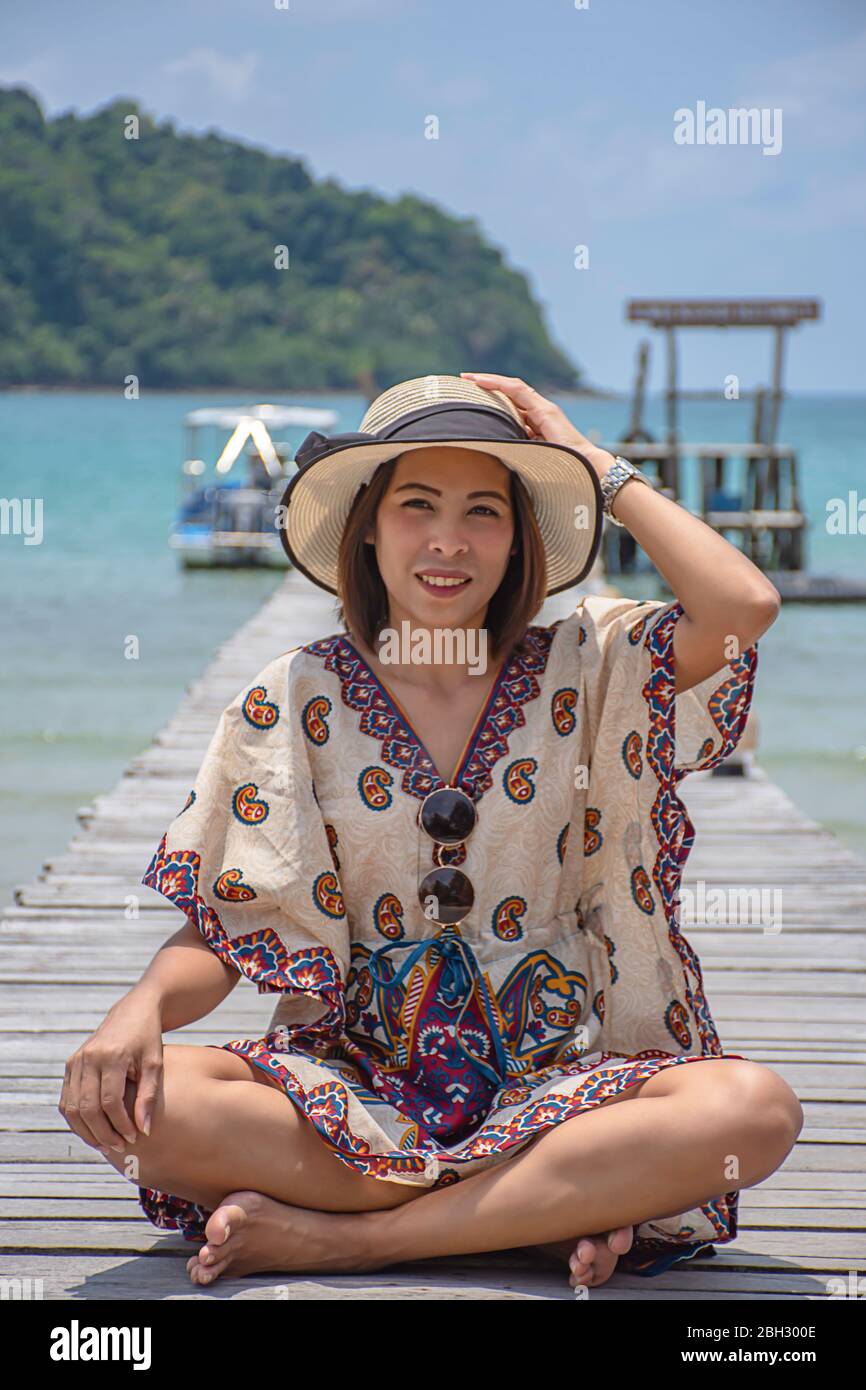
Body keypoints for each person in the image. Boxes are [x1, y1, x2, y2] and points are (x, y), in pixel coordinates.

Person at [58, 373, 802, 1291]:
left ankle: (361, 1238)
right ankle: (536, 1213)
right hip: (352, 1088)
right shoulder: (296, 693)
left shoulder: (592, 664)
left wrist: (597, 467)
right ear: (367, 525)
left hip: (559, 1083)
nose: (449, 541)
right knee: (136, 1105)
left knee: (752, 1111)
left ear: (521, 537)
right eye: (417, 505)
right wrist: (138, 1011)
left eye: (484, 511)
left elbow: (743, 609)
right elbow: (236, 918)